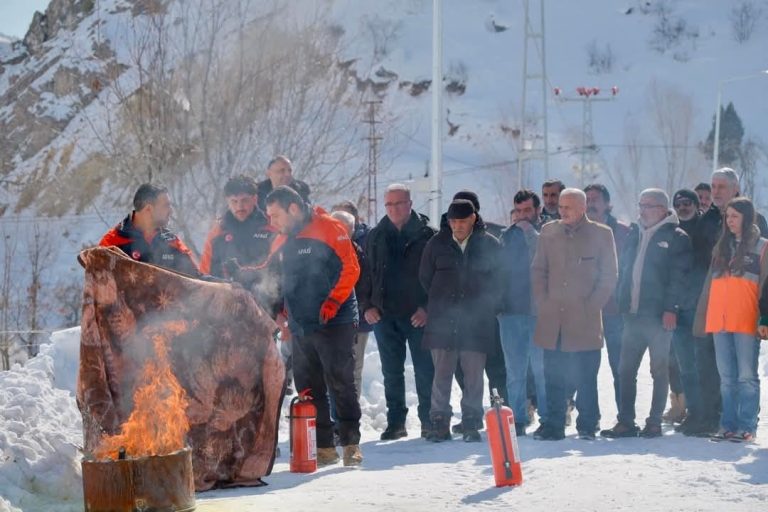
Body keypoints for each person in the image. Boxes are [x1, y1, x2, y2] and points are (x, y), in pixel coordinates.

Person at [264, 186, 362, 466]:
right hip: (301, 322)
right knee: (308, 385)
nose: (272, 223)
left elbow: (351, 268)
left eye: (275, 215)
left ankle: (351, 443)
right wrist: (278, 312)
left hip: (336, 318)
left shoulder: (330, 227)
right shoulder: (281, 239)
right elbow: (271, 277)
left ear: (293, 209)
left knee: (340, 380)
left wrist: (333, 301)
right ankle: (324, 445)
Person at [601, 189, 692, 439]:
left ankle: (654, 422)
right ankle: (626, 422)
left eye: (648, 205)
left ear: (663, 209)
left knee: (659, 370)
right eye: (640, 204)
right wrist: (621, 299)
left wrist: (671, 309)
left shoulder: (677, 237)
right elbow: (626, 269)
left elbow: (679, 278)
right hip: (632, 315)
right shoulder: (635, 232)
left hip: (660, 317)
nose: (642, 210)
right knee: (625, 370)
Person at [531, 188, 617, 441]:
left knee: (585, 375)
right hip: (552, 317)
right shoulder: (549, 232)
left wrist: (592, 306)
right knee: (553, 374)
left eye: (568, 207)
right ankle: (554, 424)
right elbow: (538, 270)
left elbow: (609, 275)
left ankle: (588, 424)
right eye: (561, 206)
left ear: (582, 208)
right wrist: (543, 302)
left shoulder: (602, 233)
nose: (562, 211)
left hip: (585, 319)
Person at [689, 168, 768, 435]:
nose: (729, 221)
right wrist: (702, 318)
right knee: (726, 379)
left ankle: (747, 426)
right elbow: (709, 287)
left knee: (746, 377)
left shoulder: (763, 246)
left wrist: (764, 318)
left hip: (746, 319)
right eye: (727, 218)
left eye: (734, 217)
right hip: (719, 320)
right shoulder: (721, 246)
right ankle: (728, 426)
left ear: (747, 218)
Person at [357, 184, 436, 440]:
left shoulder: (428, 236)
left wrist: (427, 309)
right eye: (389, 204)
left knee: (425, 370)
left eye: (399, 203)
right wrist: (367, 306)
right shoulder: (376, 236)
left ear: (410, 204)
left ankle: (428, 420)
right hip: (384, 315)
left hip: (418, 316)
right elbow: (364, 274)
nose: (394, 209)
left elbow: (440, 278)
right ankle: (395, 423)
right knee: (391, 371)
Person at [419, 199, 502, 442]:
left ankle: (471, 422)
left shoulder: (489, 244)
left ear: (473, 219)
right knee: (441, 374)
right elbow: (425, 278)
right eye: (453, 221)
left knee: (474, 376)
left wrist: (486, 306)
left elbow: (500, 280)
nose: (457, 226)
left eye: (462, 221)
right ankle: (439, 422)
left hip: (477, 321)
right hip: (442, 320)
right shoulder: (436, 244)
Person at [439, 190, 508, 424]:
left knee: (495, 367)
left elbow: (501, 275)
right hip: (456, 316)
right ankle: (473, 415)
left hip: (486, 314)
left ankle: (500, 413)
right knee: (463, 368)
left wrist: (492, 303)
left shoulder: (491, 237)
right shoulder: (444, 240)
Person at [497, 189, 547, 436]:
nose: (523, 216)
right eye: (519, 211)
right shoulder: (505, 237)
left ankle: (548, 418)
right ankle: (517, 418)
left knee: (542, 369)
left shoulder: (548, 234)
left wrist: (530, 234)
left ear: (537, 210)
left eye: (528, 210)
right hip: (511, 314)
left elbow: (546, 260)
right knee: (515, 370)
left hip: (539, 313)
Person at [584, 183, 632, 414]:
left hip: (615, 311)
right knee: (584, 368)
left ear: (607, 204)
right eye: (588, 199)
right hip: (585, 311)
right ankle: (589, 417)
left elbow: (629, 270)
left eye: (595, 199)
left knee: (620, 367)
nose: (591, 203)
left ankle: (624, 416)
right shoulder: (578, 230)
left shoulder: (622, 232)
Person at [199, 175, 277, 305]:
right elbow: (204, 276)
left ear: (255, 199)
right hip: (229, 307)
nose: (239, 206)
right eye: (234, 201)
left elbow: (283, 271)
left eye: (244, 200)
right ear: (227, 202)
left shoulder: (271, 228)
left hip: (268, 303)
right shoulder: (217, 234)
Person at [100, 183, 199, 276]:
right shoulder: (112, 242)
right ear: (148, 209)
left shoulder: (173, 242)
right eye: (166, 205)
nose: (171, 211)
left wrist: (214, 286)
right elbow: (97, 284)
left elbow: (197, 279)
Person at [669, 189, 706, 435]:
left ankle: (708, 412)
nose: (684, 207)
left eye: (688, 203)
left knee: (705, 364)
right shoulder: (671, 233)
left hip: (702, 307)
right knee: (685, 365)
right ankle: (692, 411)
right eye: (679, 204)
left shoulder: (706, 230)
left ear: (696, 204)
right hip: (677, 308)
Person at [330, 209, 370, 400]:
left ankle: (350, 416)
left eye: (342, 228)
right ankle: (331, 417)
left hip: (355, 321)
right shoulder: (321, 251)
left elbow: (365, 286)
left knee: (353, 370)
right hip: (326, 320)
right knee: (329, 370)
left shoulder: (358, 254)